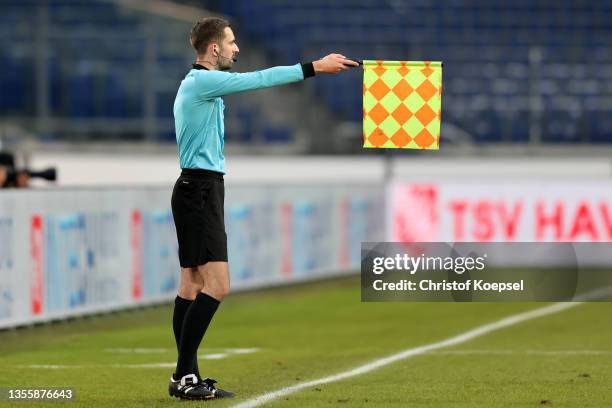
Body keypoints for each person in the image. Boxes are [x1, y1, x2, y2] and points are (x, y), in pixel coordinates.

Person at [168, 16, 358, 400]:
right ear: (214, 48)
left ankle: (186, 377)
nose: (237, 49)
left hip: (196, 188)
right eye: (232, 42)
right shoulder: (203, 81)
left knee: (191, 286)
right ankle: (184, 375)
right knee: (217, 286)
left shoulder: (197, 85)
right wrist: (314, 67)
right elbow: (259, 80)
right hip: (199, 190)